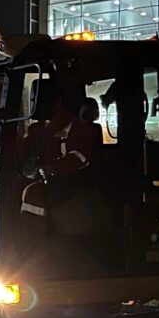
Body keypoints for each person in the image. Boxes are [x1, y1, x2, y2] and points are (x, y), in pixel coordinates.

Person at [20, 82, 99, 228]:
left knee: (33, 193)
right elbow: (23, 151)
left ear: (58, 102)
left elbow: (80, 157)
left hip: (69, 180)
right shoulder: (35, 129)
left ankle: (34, 236)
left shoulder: (76, 126)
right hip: (42, 177)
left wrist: (53, 168)